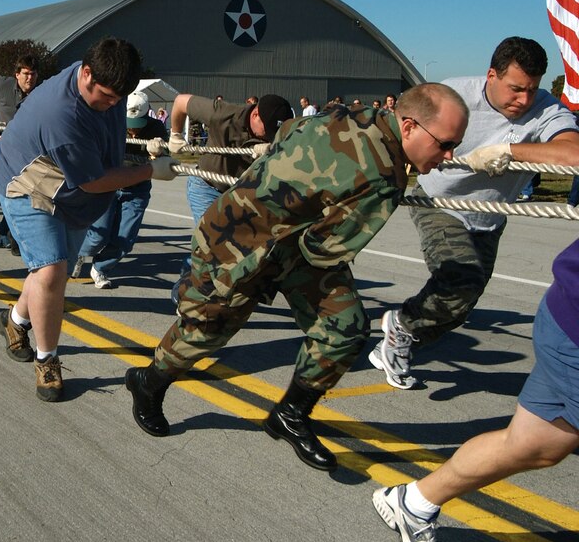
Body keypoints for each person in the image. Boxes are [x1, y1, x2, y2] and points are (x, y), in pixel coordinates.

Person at [125, 84, 469, 472]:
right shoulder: (384, 176)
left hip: (289, 243)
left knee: (343, 325)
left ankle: (290, 413)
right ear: (408, 127)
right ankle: (148, 381)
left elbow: (288, 132)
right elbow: (328, 249)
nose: (449, 156)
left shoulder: (352, 116)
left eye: (455, 146)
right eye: (445, 144)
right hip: (238, 241)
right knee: (209, 329)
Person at [370, 37, 579, 391]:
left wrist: (510, 151)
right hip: (440, 202)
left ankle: (400, 333)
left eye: (531, 89)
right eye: (515, 89)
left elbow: (573, 154)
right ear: (491, 75)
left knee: (461, 305)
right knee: (459, 284)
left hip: (489, 218)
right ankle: (402, 325)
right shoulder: (454, 96)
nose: (524, 100)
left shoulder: (545, 109)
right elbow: (404, 127)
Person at [0, 38, 178, 402]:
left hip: (68, 183)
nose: (113, 105)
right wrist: (148, 170)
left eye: (119, 98)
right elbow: (93, 180)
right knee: (51, 271)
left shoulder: (107, 83)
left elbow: (97, 162)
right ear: (87, 74)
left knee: (51, 271)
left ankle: (14, 321)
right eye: (108, 97)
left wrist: (150, 147)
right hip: (27, 181)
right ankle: (47, 359)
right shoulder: (62, 115)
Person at [372, 236, 579, 542]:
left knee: (536, 442)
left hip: (565, 316)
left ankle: (415, 503)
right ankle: (399, 330)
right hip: (572, 325)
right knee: (461, 283)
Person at [166, 91, 294, 302]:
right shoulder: (222, 113)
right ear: (255, 115)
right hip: (207, 186)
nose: (271, 136)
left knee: (238, 246)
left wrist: (272, 152)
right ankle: (183, 291)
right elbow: (180, 102)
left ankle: (209, 285)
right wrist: (176, 134)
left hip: (241, 193)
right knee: (211, 243)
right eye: (269, 131)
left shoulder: (276, 135)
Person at [73, 91, 168, 289]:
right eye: (130, 125)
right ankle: (80, 253)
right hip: (109, 183)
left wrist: (159, 151)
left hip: (137, 189)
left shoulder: (156, 128)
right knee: (98, 235)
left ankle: (100, 268)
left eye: (138, 126)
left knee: (125, 238)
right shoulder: (110, 122)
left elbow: (165, 160)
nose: (133, 131)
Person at [0, 55, 40, 232]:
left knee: (18, 189)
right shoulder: (3, 84)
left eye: (33, 74)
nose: (30, 78)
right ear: (17, 74)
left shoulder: (41, 93)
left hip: (26, 146)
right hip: (3, 142)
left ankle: (5, 233)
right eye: (26, 73)